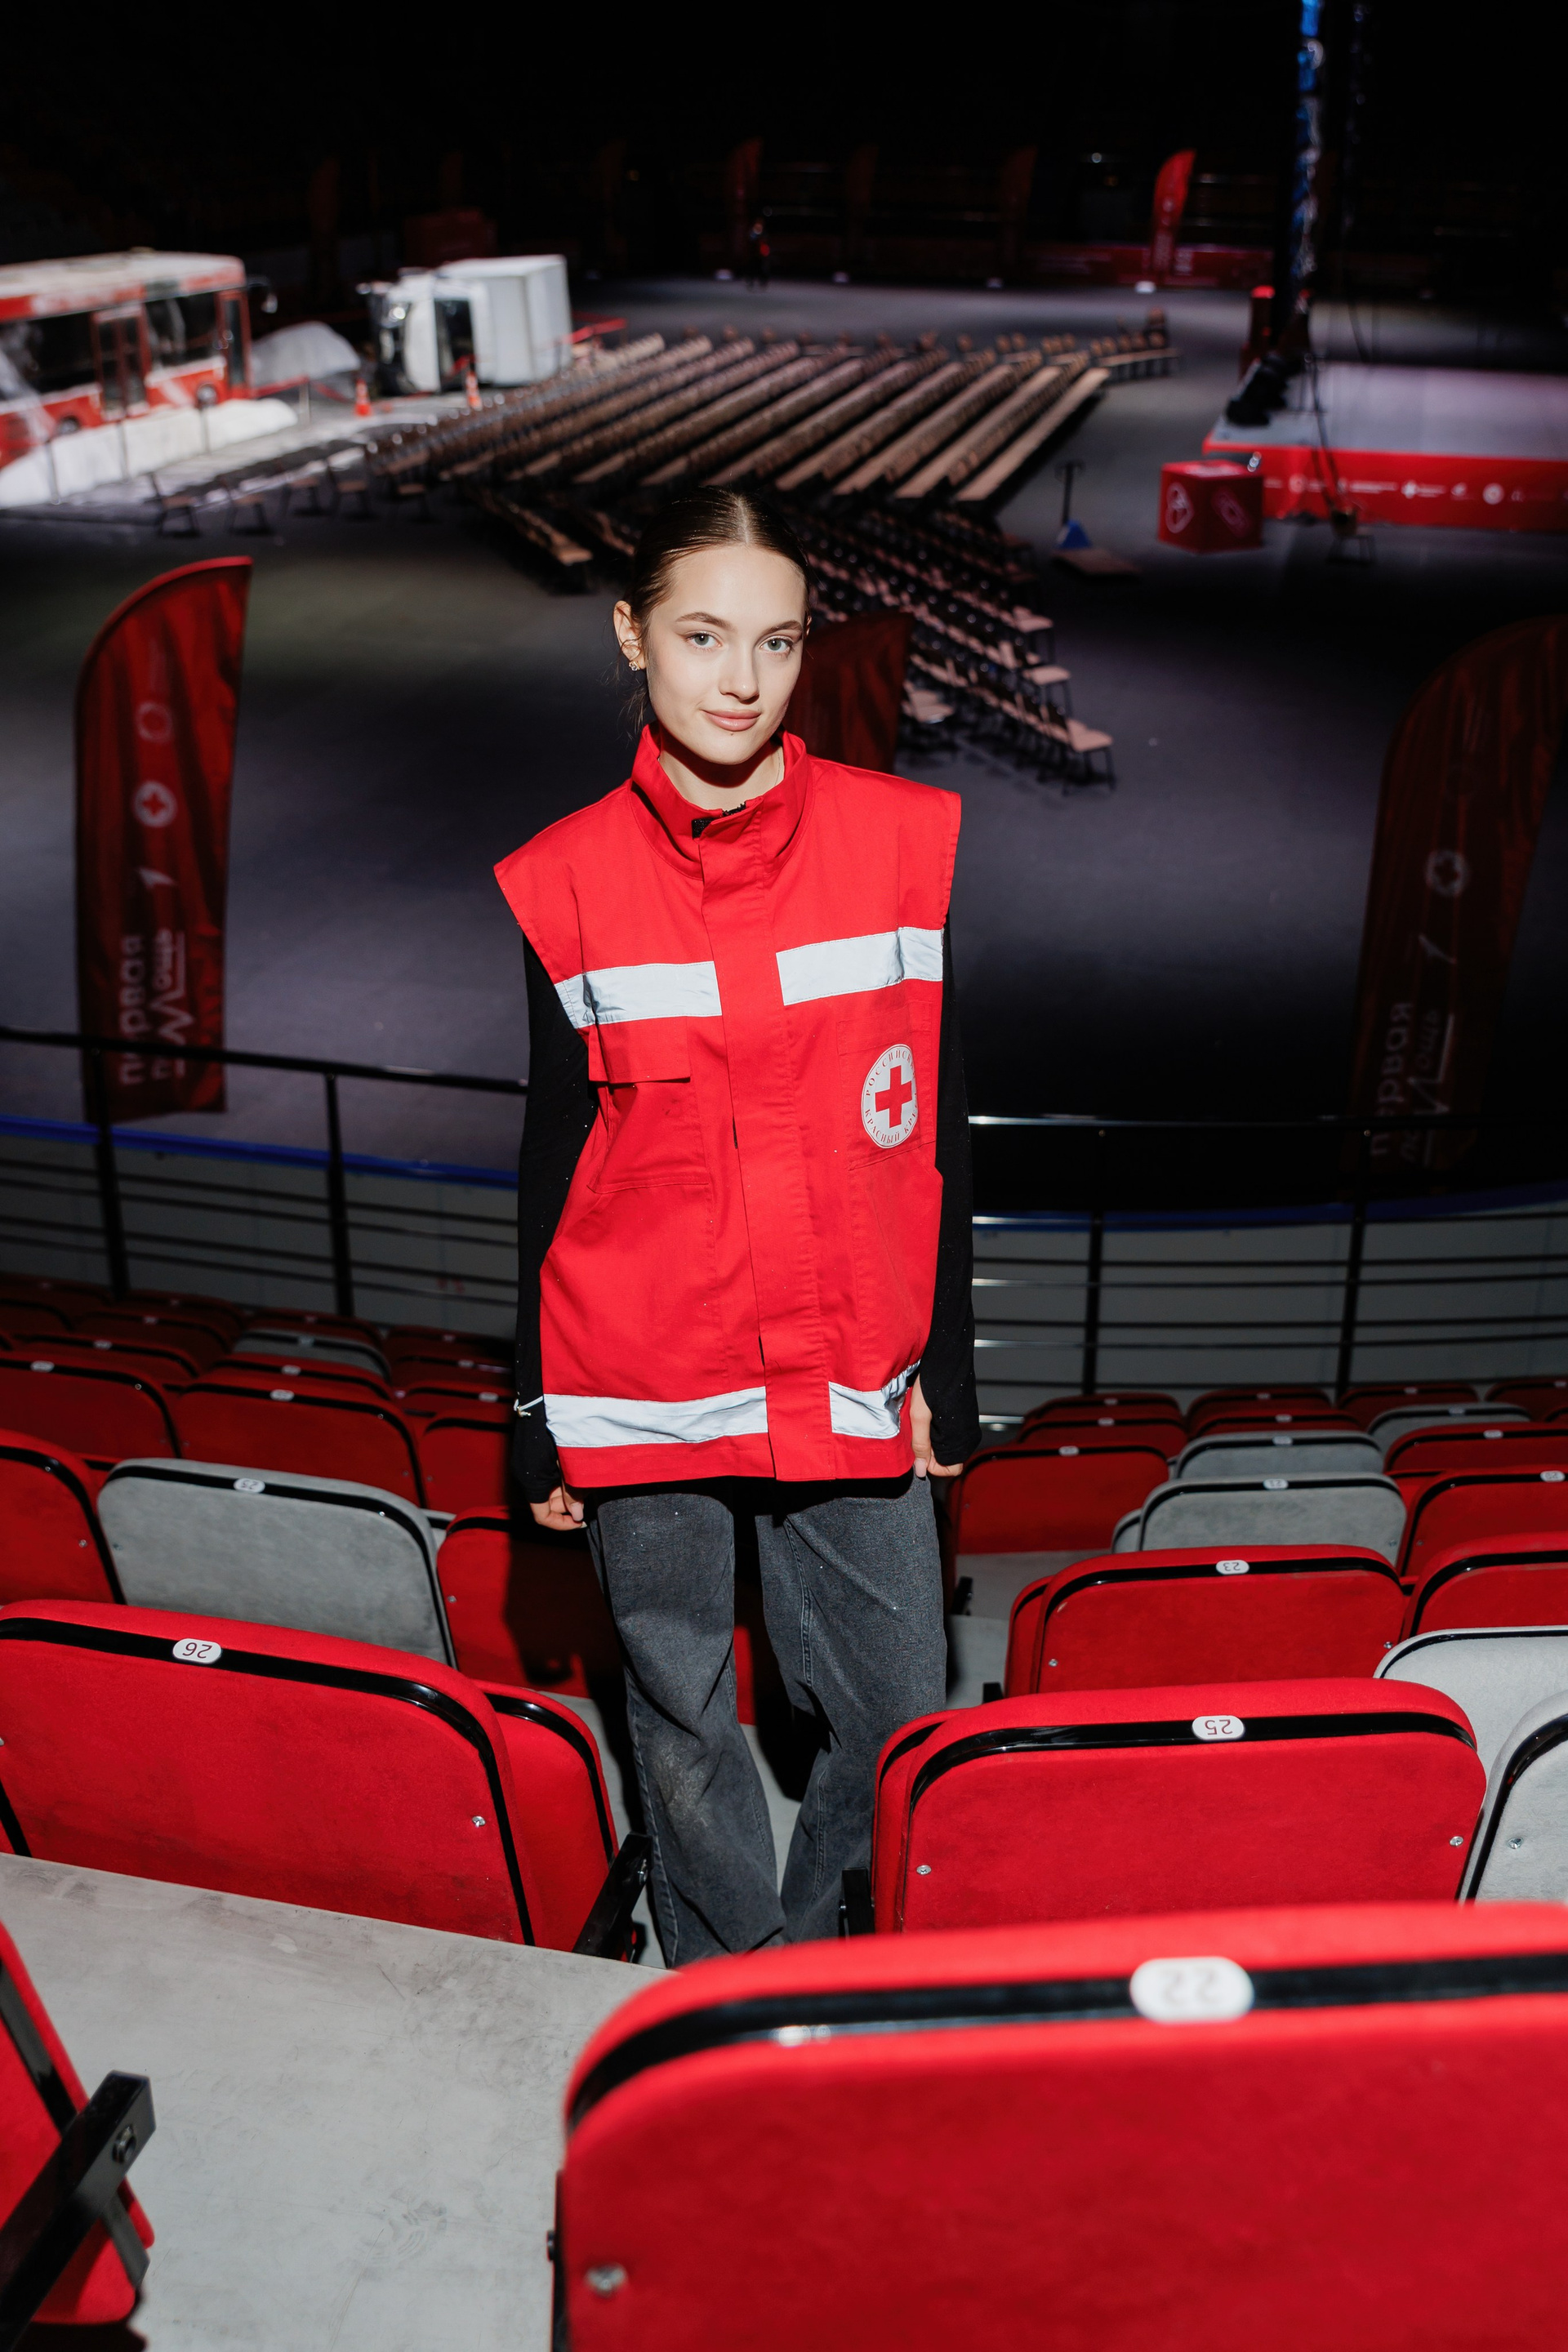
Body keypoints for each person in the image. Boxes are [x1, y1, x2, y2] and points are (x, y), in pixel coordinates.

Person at [495, 488, 978, 1960]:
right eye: (703, 636)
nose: (743, 679)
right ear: (632, 635)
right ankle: (725, 1978)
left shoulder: (904, 840)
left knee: (901, 1706)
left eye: (777, 641)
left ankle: (825, 1935)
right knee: (680, 1711)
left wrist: (949, 1362)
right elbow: (553, 1152)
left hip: (846, 1353)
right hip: (640, 1363)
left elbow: (939, 1118)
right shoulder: (563, 876)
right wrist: (534, 1404)